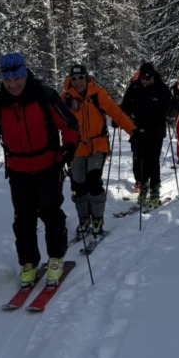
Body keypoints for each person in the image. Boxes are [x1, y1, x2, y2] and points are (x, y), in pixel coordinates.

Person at [0, 52, 79, 289]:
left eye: (17, 78)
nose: (13, 84)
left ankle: (56, 258)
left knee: (51, 213)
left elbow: (69, 123)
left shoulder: (44, 95)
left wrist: (70, 145)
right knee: (23, 218)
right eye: (8, 79)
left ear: (24, 74)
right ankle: (28, 262)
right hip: (18, 169)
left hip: (49, 166)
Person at [61, 63, 136, 240]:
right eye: (74, 79)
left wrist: (133, 131)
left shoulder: (98, 94)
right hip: (77, 147)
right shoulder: (65, 99)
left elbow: (116, 113)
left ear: (86, 78)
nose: (78, 82)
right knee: (78, 186)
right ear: (70, 80)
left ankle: (97, 220)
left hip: (98, 145)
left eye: (81, 78)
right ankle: (84, 219)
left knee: (94, 181)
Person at [120, 61, 172, 207]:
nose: (145, 81)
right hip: (139, 130)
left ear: (153, 77)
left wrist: (171, 109)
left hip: (156, 130)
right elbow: (126, 106)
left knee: (153, 160)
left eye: (147, 78)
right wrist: (120, 117)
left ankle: (155, 189)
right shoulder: (135, 87)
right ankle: (143, 187)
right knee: (141, 160)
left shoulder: (161, 87)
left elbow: (169, 105)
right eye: (143, 78)